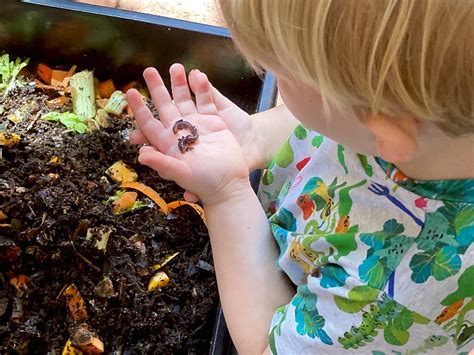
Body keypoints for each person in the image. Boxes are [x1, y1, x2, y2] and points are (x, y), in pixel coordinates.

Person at [126, 1, 474, 354]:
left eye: (284, 73)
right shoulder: (424, 134)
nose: (275, 77)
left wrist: (226, 195)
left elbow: (266, 346)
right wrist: (255, 136)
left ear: (386, 132)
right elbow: (330, 120)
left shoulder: (392, 291)